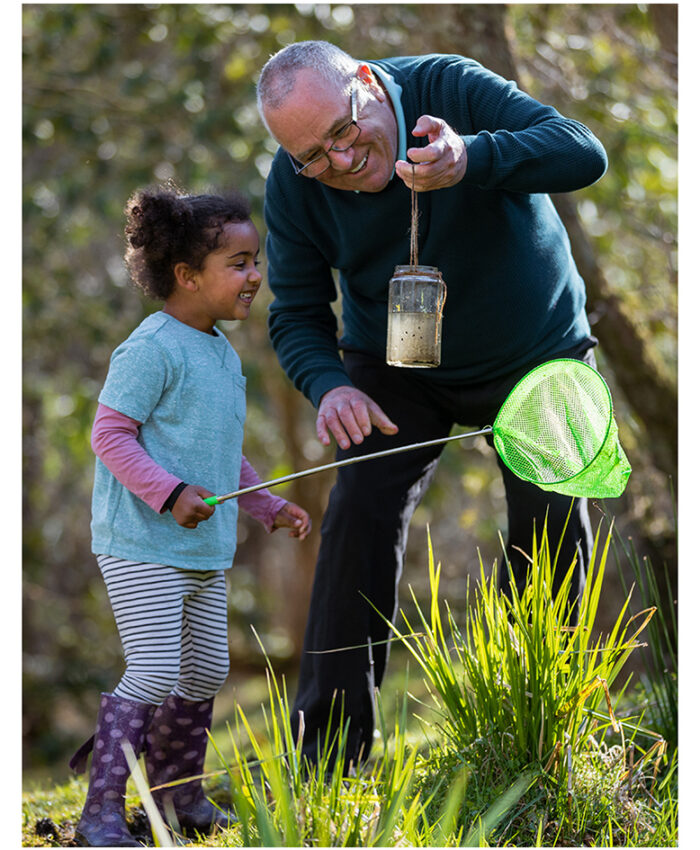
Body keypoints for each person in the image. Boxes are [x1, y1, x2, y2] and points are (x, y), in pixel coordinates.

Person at [255, 41, 609, 771]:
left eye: (345, 134)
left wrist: (472, 157)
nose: (341, 163)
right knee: (359, 506)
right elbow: (295, 311)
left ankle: (538, 738)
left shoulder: (448, 84)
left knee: (550, 522)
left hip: (534, 349)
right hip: (398, 366)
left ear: (365, 84)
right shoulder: (294, 184)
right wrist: (331, 386)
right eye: (315, 156)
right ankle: (329, 755)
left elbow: (582, 153)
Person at [70, 186, 311, 846]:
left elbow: (221, 454)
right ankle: (101, 814)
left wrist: (264, 504)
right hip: (141, 541)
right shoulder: (152, 348)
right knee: (151, 670)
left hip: (202, 549)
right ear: (186, 275)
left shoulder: (222, 356)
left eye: (254, 260)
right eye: (238, 263)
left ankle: (178, 801)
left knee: (204, 672)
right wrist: (170, 494)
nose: (254, 275)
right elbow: (109, 434)